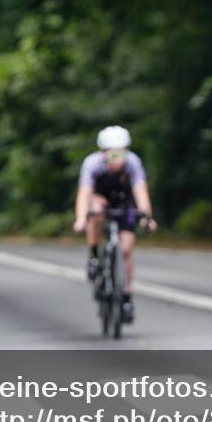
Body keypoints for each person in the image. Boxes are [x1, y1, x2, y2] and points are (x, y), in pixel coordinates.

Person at [73, 126, 157, 323]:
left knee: (126, 248)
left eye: (120, 152)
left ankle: (126, 296)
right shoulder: (92, 164)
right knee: (96, 210)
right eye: (111, 152)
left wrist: (146, 217)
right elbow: (84, 194)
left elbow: (140, 191)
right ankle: (94, 254)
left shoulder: (133, 163)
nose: (116, 157)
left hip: (124, 200)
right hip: (100, 198)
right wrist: (80, 219)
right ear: (103, 152)